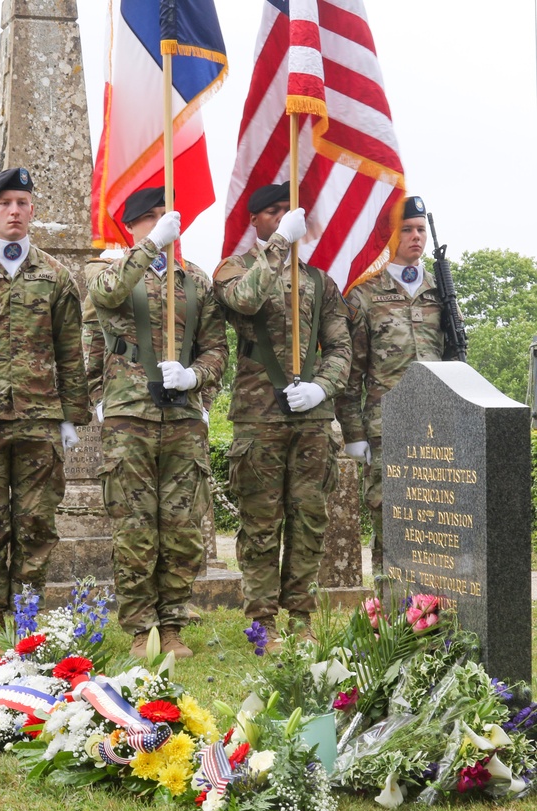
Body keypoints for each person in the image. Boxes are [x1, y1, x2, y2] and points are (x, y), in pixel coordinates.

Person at [0, 167, 90, 661]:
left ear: (32, 209)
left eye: (23, 203)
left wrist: (71, 416)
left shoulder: (55, 275)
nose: (15, 212)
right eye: (5, 203)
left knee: (36, 527)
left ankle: (26, 622)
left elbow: (71, 350)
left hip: (39, 421)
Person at [84, 187, 228, 659]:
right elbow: (107, 295)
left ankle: (172, 625)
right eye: (151, 218)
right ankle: (139, 627)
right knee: (135, 528)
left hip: (183, 415)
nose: (164, 225)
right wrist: (147, 250)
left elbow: (216, 349)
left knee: (183, 527)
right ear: (132, 226)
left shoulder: (197, 282)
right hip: (129, 416)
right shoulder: (107, 270)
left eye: (168, 217)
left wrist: (195, 376)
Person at [213, 182, 351, 642]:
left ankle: (301, 617)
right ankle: (262, 621)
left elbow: (339, 346)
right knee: (261, 523)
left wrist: (321, 388)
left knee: (310, 519)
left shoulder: (318, 282)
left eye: (286, 213)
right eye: (271, 212)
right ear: (255, 220)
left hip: (311, 420)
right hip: (259, 418)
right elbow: (245, 301)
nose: (280, 219)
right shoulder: (233, 269)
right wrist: (277, 246)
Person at [335, 195, 461, 577]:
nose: (416, 237)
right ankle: (392, 623)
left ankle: (436, 619)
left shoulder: (441, 293)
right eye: (407, 229)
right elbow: (350, 372)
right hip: (386, 427)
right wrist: (354, 434)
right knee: (390, 520)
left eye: (421, 229)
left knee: (439, 527)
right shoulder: (365, 294)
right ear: (391, 236)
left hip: (437, 428)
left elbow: (455, 359)